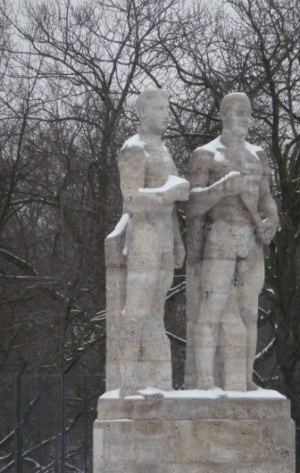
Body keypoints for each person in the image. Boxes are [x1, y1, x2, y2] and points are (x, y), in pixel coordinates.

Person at [185, 92, 279, 391]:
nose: (245, 119)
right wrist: (221, 190)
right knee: (212, 308)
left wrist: (272, 219)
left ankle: (245, 379)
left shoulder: (258, 155)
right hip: (220, 235)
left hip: (251, 239)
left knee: (250, 311)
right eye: (238, 113)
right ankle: (205, 379)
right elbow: (191, 206)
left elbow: (266, 198)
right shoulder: (205, 155)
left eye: (248, 113)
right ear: (224, 115)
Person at [108, 88, 189, 396]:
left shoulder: (164, 151)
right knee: (137, 309)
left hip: (165, 235)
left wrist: (178, 239)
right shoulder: (134, 149)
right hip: (143, 234)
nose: (166, 114)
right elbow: (131, 200)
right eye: (158, 108)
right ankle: (127, 382)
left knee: (156, 311)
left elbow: (170, 208)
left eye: (167, 108)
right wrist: (168, 193)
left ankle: (158, 382)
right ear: (142, 112)